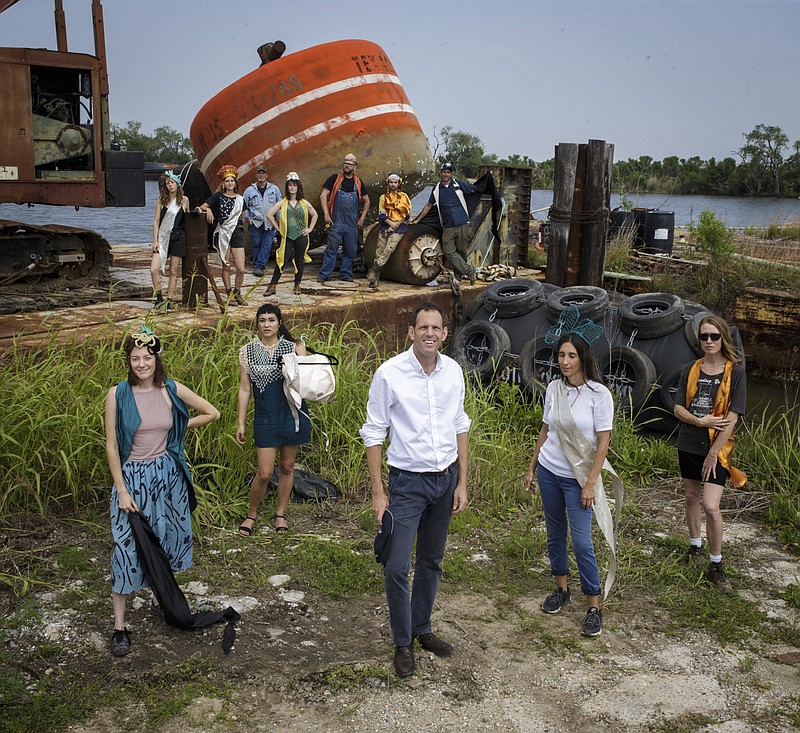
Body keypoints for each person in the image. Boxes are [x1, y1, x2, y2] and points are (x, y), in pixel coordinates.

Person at [360, 302, 470, 678]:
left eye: (436, 328)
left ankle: (422, 629)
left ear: (444, 334)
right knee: (394, 566)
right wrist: (379, 491)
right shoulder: (389, 374)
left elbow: (460, 424)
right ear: (411, 332)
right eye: (422, 327)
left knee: (431, 561)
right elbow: (374, 433)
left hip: (446, 479)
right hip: (407, 484)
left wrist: (462, 482)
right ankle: (402, 642)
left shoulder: (453, 371)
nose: (429, 333)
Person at [105, 326, 220, 657]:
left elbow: (212, 413)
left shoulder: (171, 389)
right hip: (133, 479)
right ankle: (119, 627)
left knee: (166, 539)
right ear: (129, 362)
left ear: (157, 359)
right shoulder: (118, 394)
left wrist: (178, 429)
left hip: (168, 477)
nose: (142, 364)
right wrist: (122, 489)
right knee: (127, 550)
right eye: (136, 358)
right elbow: (112, 447)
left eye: (147, 357)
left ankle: (159, 597)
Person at [524, 333, 613, 637]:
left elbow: (602, 444)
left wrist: (590, 484)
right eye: (561, 355)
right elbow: (546, 428)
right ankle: (561, 590)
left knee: (582, 541)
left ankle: (593, 605)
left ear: (583, 358)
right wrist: (532, 464)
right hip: (550, 471)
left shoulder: (599, 395)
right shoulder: (554, 389)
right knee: (555, 533)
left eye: (571, 356)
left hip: (578, 479)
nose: (565, 362)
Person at [673, 314, 746, 593]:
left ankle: (717, 564)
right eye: (704, 336)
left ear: (723, 338)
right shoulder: (691, 369)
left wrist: (714, 453)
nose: (709, 341)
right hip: (688, 443)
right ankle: (695, 547)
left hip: (716, 449)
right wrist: (700, 421)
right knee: (691, 496)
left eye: (714, 336)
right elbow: (679, 408)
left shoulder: (735, 372)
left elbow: (733, 417)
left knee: (711, 506)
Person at [237, 303, 310, 536]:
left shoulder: (292, 348)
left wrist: (302, 357)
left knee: (288, 467)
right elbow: (244, 389)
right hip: (265, 417)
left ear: (279, 323)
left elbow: (305, 382)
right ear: (257, 324)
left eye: (271, 320)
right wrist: (240, 422)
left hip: (291, 415)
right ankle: (252, 514)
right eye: (262, 320)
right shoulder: (247, 351)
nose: (266, 324)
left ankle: (280, 513)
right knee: (265, 473)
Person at [411, 162, 476, 285]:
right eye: (444, 172)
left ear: (451, 174)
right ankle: (469, 270)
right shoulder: (436, 189)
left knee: (462, 251)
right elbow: (429, 205)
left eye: (448, 172)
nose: (446, 174)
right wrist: (417, 219)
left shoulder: (459, 184)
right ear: (440, 173)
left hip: (462, 222)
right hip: (447, 225)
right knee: (448, 250)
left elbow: (472, 191)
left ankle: (459, 276)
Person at [196, 165, 247, 306]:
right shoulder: (218, 196)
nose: (229, 183)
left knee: (241, 268)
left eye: (232, 180)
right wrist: (209, 211)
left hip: (237, 233)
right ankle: (229, 292)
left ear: (235, 183)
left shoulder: (241, 200)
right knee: (226, 266)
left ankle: (237, 292)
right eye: (227, 181)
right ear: (223, 184)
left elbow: (242, 218)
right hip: (223, 232)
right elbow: (202, 206)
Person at [317, 153, 370, 283]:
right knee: (331, 248)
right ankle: (324, 274)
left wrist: (362, 218)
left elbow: (367, 201)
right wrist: (326, 214)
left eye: (350, 163)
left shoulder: (358, 183)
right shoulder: (334, 179)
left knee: (350, 250)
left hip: (352, 224)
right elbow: (323, 196)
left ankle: (345, 273)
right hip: (336, 222)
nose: (346, 165)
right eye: (345, 163)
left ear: (355, 166)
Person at [264, 172, 318, 296]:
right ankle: (273, 285)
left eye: (294, 185)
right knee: (281, 260)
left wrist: (310, 229)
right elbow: (269, 214)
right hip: (287, 235)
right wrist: (278, 228)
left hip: (301, 235)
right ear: (287, 187)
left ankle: (297, 284)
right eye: (290, 185)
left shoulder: (304, 203)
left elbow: (315, 214)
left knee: (299, 260)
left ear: (298, 187)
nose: (292, 187)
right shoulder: (283, 203)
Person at [150, 172, 189, 310]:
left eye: (172, 182)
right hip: (163, 236)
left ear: (177, 184)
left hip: (178, 237)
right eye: (167, 183)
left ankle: (169, 299)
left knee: (173, 270)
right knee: (154, 269)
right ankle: (159, 298)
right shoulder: (161, 200)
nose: (170, 185)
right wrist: (155, 241)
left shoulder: (184, 200)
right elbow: (156, 221)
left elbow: (188, 220)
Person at [366, 173, 411, 290]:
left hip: (399, 228)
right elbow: (381, 214)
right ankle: (375, 280)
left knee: (389, 248)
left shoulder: (404, 197)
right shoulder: (383, 197)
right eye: (391, 182)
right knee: (379, 250)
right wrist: (390, 224)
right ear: (388, 183)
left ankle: (374, 270)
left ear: (399, 183)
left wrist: (396, 225)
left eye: (395, 182)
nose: (393, 184)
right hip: (385, 226)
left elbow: (406, 214)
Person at [243, 164, 281, 277]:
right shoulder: (249, 190)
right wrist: (248, 218)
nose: (261, 175)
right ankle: (257, 264)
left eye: (263, 173)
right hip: (255, 222)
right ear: (256, 175)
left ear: (267, 175)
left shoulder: (274, 189)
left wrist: (278, 220)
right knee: (256, 244)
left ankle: (259, 266)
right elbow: (244, 206)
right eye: (259, 173)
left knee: (267, 244)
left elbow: (279, 205)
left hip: (270, 222)